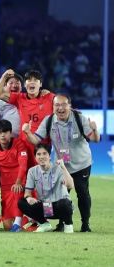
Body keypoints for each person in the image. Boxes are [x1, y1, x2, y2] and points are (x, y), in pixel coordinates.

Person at [23, 94, 100, 232]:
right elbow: (36, 140)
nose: (60, 108)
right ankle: (62, 223)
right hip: (61, 166)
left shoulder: (79, 118)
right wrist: (28, 132)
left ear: (69, 106)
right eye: (57, 105)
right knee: (58, 195)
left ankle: (85, 224)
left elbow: (95, 139)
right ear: (53, 107)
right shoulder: (49, 120)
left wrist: (94, 130)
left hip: (82, 163)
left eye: (63, 104)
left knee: (82, 193)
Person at [0, 70, 54, 168]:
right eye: (29, 80)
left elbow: (63, 106)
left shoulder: (49, 97)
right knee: (25, 180)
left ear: (41, 84)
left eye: (35, 80)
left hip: (43, 148)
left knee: (43, 180)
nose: (32, 82)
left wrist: (72, 111)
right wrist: (4, 76)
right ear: (25, 85)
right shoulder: (19, 98)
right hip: (24, 148)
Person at [18, 144, 75, 233]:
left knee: (65, 202)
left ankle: (68, 224)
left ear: (49, 156)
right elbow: (27, 192)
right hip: (46, 208)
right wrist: (28, 198)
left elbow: (70, 185)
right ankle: (44, 224)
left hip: (60, 207)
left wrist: (63, 167)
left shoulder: (59, 169)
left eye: (44, 154)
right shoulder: (32, 171)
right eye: (39, 154)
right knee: (22, 202)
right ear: (35, 157)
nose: (42, 157)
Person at [0, 120, 28, 231]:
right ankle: (25, 223)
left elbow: (23, 165)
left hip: (20, 182)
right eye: (0, 132)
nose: (3, 135)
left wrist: (19, 182)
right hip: (5, 188)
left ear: (11, 132)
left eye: (5, 132)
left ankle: (30, 220)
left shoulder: (19, 144)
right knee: (7, 226)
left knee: (18, 192)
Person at [0, 73, 22, 138]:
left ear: (21, 87)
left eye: (17, 83)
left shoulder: (27, 101)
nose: (14, 85)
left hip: (24, 142)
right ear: (4, 87)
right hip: (5, 143)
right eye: (11, 83)